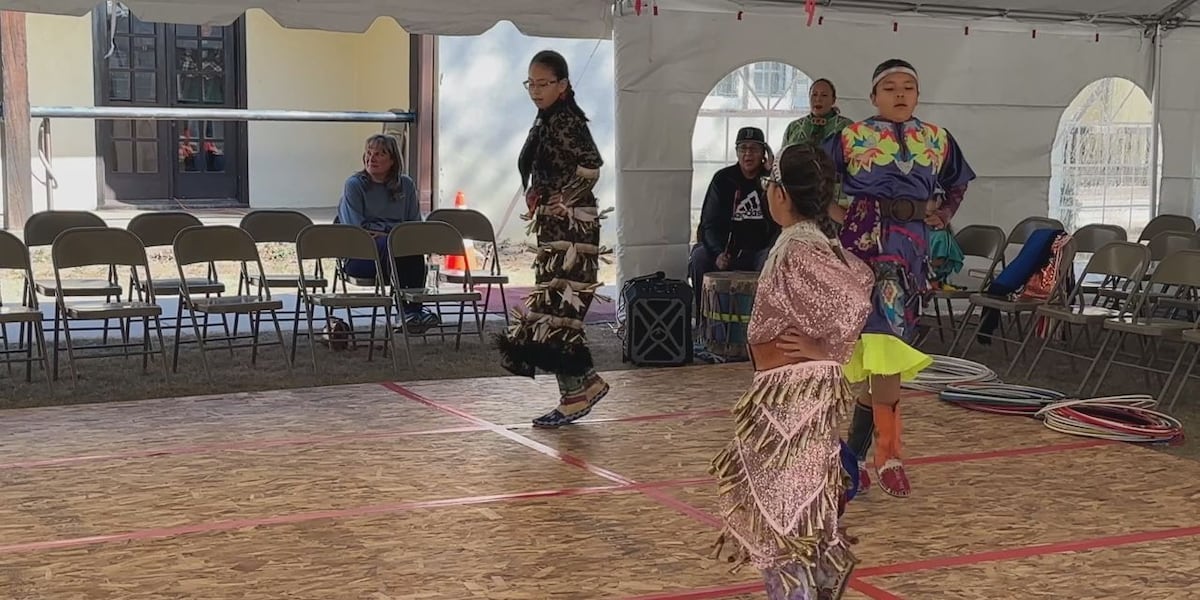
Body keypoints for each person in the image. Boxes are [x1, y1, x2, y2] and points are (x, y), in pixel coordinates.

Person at [709, 143, 874, 600]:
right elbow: (860, 277)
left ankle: (803, 589)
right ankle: (822, 577)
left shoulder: (801, 245)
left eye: (769, 185)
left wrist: (825, 345)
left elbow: (855, 296)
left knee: (782, 504)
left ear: (780, 193)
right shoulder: (810, 240)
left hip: (793, 395)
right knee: (796, 493)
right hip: (792, 389)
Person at [821, 58, 976, 498]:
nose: (901, 94)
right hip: (860, 247)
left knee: (886, 348)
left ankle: (875, 455)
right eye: (890, 87)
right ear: (873, 96)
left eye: (909, 86)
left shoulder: (936, 138)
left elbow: (958, 183)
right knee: (864, 353)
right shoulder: (852, 137)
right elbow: (806, 177)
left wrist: (943, 213)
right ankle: (868, 455)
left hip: (908, 250)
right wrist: (833, 212)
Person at [496, 49, 610, 428]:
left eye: (543, 83)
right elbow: (544, 167)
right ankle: (583, 385)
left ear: (562, 85)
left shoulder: (566, 121)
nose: (535, 90)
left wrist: (567, 198)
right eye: (531, 83)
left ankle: (576, 393)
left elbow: (591, 164)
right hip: (554, 231)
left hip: (573, 232)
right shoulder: (546, 119)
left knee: (559, 311)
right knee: (555, 310)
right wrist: (538, 191)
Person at [337, 134, 440, 333]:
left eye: (379, 154)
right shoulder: (355, 185)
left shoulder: (406, 185)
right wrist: (393, 232)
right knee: (397, 245)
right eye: (368, 153)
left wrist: (383, 231)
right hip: (361, 257)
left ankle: (411, 312)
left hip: (398, 254)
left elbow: (413, 226)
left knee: (408, 247)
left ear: (393, 160)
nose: (371, 158)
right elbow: (357, 230)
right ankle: (409, 313)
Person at [690, 127, 780, 313]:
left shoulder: (770, 181)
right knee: (699, 256)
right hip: (726, 251)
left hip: (759, 251)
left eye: (754, 149)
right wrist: (717, 253)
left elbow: (781, 220)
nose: (748, 154)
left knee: (771, 260)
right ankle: (703, 319)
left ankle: (762, 322)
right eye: (743, 149)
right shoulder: (723, 180)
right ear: (736, 152)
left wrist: (772, 177)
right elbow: (709, 224)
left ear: (764, 153)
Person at [782, 79, 854, 148]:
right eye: (814, 95)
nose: (818, 99)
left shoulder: (847, 126)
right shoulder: (794, 127)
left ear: (833, 100)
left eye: (824, 95)